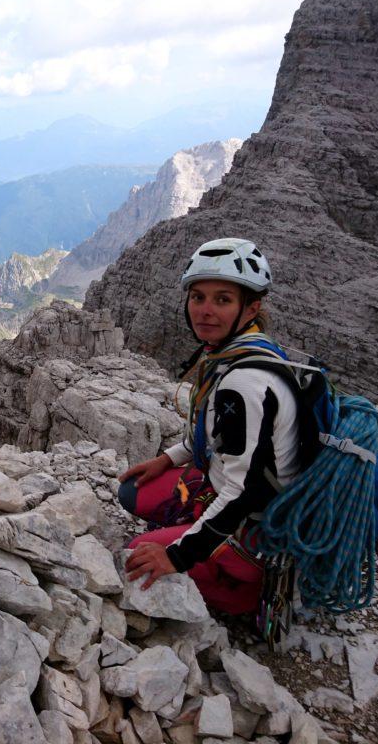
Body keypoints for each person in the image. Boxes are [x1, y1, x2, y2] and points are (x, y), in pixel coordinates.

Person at [117, 238, 300, 615]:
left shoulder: (243, 382)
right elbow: (214, 434)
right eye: (197, 297)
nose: (205, 310)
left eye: (222, 299)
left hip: (258, 521)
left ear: (251, 307)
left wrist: (177, 556)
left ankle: (249, 593)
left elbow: (243, 491)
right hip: (229, 489)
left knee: (137, 558)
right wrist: (168, 459)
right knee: (132, 492)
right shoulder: (236, 352)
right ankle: (201, 531)